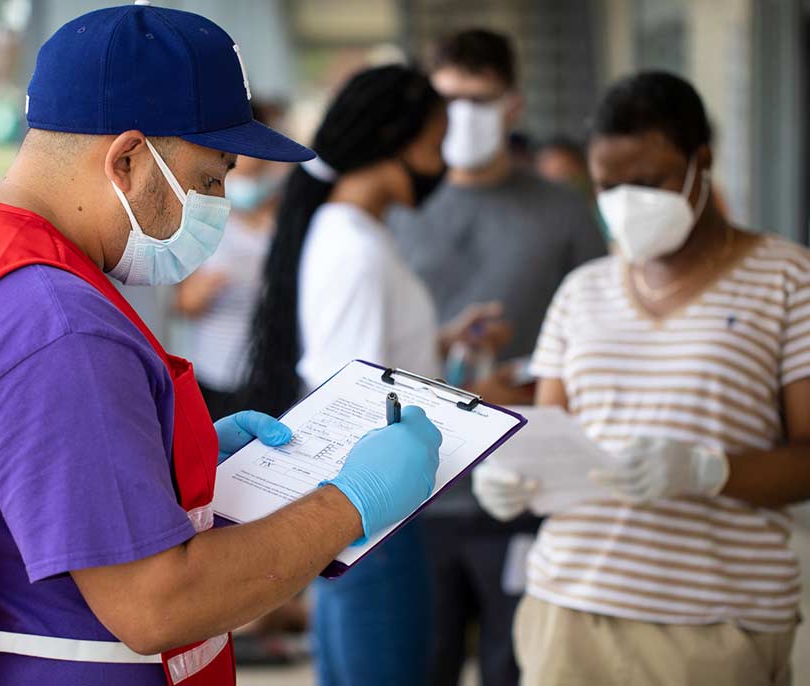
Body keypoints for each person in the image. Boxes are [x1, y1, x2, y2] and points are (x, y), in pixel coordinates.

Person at [0, 6, 444, 686]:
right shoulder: (59, 325)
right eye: (211, 177)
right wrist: (351, 502)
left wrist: (157, 452)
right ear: (128, 159)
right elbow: (157, 606)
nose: (218, 202)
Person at [474, 71, 810, 686]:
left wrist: (709, 471)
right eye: (608, 185)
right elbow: (549, 434)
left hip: (716, 626)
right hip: (569, 609)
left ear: (700, 162)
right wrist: (514, 479)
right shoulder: (584, 290)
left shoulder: (789, 279)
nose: (627, 201)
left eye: (648, 181)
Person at [387, 28, 606, 686]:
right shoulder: (396, 207)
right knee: (421, 665)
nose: (462, 118)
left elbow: (600, 340)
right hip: (413, 490)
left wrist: (535, 388)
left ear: (513, 104)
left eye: (479, 101)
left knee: (522, 665)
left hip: (525, 487)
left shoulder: (562, 212)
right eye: (448, 101)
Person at [243, 64, 448, 686]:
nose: (441, 165)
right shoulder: (352, 242)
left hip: (380, 509)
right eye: (435, 145)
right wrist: (473, 399)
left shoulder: (358, 234)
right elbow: (354, 392)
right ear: (394, 139)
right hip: (377, 512)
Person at [176, 102, 287, 420]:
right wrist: (202, 292)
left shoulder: (284, 212)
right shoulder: (205, 218)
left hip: (271, 373)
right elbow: (184, 301)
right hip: (219, 376)